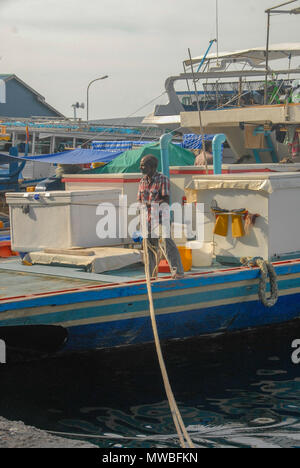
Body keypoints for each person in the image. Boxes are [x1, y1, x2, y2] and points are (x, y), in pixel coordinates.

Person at [137, 154, 184, 279]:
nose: (140, 167)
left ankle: (177, 271)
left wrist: (150, 204)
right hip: (147, 219)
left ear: (152, 167)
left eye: (143, 165)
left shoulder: (162, 179)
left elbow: (165, 200)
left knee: (167, 243)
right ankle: (151, 275)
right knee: (149, 247)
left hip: (161, 218)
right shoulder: (141, 181)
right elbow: (139, 201)